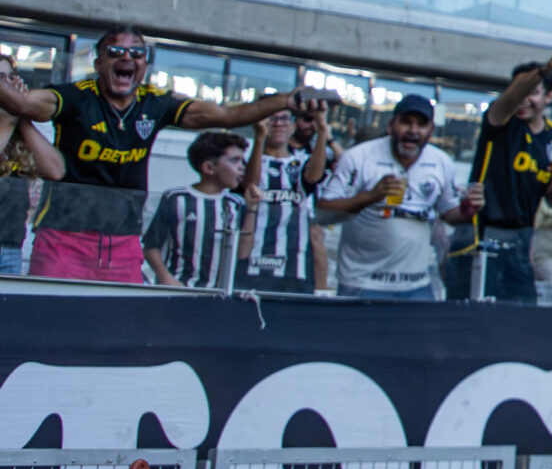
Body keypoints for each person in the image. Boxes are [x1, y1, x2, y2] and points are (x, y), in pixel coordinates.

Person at [0, 26, 327, 285]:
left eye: (137, 52)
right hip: (63, 239)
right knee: (52, 326)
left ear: (145, 65)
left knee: (122, 332)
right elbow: (23, 104)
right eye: (115, 52)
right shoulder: (75, 96)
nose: (127, 57)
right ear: (98, 63)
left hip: (124, 242)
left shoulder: (156, 103)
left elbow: (228, 116)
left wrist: (286, 101)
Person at [320, 94, 481, 301]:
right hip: (362, 283)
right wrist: (371, 196)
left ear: (431, 131)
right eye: (406, 122)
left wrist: (469, 208)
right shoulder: (359, 157)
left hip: (417, 285)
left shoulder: (441, 162)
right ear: (390, 125)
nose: (413, 130)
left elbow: (450, 213)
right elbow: (324, 210)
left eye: (421, 125)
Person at [454, 49, 552, 302]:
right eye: (519, 91)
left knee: (522, 314)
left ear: (549, 96)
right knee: (476, 316)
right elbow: (510, 99)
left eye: (532, 92)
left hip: (523, 240)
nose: (523, 99)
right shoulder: (500, 121)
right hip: (482, 234)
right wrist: (545, 70)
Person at [142, 131, 250, 290]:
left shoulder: (237, 204)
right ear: (209, 167)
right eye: (235, 160)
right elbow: (151, 246)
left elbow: (243, 252)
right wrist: (166, 279)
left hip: (221, 293)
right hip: (179, 289)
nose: (242, 167)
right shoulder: (176, 198)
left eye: (243, 161)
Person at [242, 105, 331, 294]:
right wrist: (260, 138)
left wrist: (322, 131)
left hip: (295, 266)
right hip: (252, 263)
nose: (278, 124)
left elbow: (314, 177)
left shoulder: (302, 163)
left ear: (293, 126)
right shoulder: (248, 162)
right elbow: (250, 186)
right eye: (271, 119)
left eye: (284, 119)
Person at [0, 64, 67, 275]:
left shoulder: (18, 128)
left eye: (12, 77)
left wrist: (22, 116)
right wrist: (9, 120)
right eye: (1, 78)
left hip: (10, 245)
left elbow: (55, 170)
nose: (8, 85)